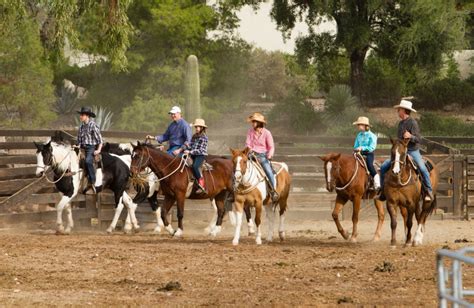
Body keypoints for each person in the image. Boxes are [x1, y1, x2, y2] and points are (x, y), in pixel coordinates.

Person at [378, 99, 434, 201]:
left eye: (399, 109)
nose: (397, 111)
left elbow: (418, 139)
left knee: (422, 168)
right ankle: (383, 190)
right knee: (383, 167)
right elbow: (399, 139)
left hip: (412, 151)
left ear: (403, 110)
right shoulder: (400, 124)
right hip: (401, 151)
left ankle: (429, 191)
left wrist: (410, 136)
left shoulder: (413, 123)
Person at [245, 112, 278, 202]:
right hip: (251, 154)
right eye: (252, 122)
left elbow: (271, 146)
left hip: (262, 156)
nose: (252, 123)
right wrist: (250, 150)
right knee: (239, 167)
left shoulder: (267, 133)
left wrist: (269, 155)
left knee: (268, 171)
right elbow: (248, 143)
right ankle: (234, 190)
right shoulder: (250, 132)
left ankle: (273, 191)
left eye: (254, 122)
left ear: (259, 123)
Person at [77, 106, 103, 193]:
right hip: (82, 148)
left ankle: (93, 181)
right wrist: (77, 146)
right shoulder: (81, 127)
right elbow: (79, 141)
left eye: (82, 115)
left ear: (87, 116)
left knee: (88, 161)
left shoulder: (93, 126)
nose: (80, 116)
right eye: (80, 115)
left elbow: (100, 140)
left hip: (91, 147)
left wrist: (98, 150)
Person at [352, 116, 380, 190]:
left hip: (369, 153)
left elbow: (372, 147)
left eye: (359, 125)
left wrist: (362, 148)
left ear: (365, 126)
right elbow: (356, 145)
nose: (358, 126)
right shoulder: (359, 135)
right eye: (358, 125)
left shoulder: (372, 136)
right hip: (358, 153)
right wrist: (356, 149)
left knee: (370, 165)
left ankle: (377, 181)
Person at [184, 119, 208, 193]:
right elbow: (191, 145)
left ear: (202, 128)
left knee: (195, 166)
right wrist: (187, 146)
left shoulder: (204, 137)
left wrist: (190, 151)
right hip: (193, 154)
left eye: (199, 127)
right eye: (196, 127)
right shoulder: (194, 136)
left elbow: (200, 150)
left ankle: (201, 184)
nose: (197, 128)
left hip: (200, 155)